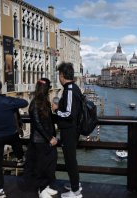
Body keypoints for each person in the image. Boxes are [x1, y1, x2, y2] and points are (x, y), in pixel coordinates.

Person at [51, 62, 83, 198]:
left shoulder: (69, 90)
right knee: (71, 159)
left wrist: (56, 111)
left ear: (62, 76)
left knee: (70, 160)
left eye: (59, 75)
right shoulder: (73, 88)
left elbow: (69, 113)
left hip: (69, 130)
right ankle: (75, 184)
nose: (59, 77)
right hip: (71, 130)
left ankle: (75, 191)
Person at [23, 78, 58, 198]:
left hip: (46, 139)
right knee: (41, 166)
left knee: (50, 163)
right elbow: (37, 123)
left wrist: (55, 111)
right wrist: (49, 138)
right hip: (40, 140)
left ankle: (46, 186)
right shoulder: (35, 103)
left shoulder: (44, 101)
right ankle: (41, 189)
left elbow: (47, 120)